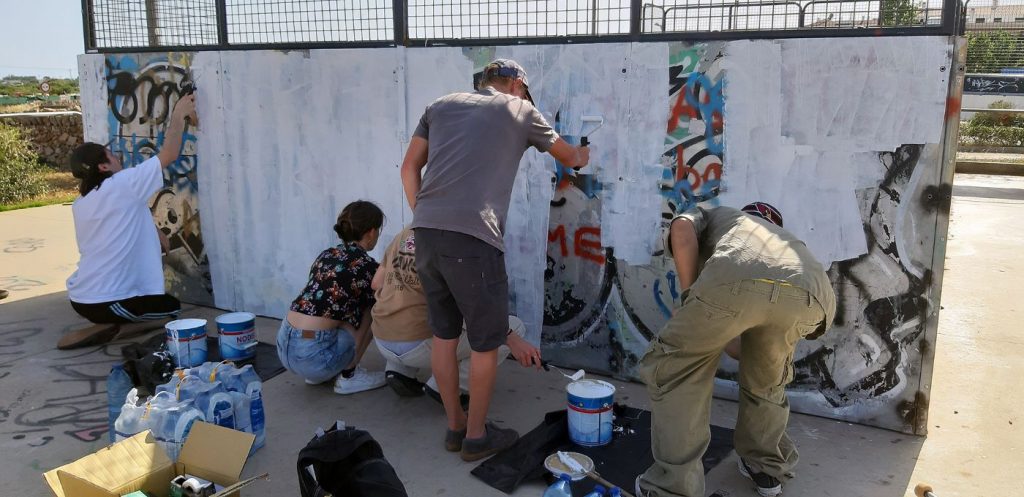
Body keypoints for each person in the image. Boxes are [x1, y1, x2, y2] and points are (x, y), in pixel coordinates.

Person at [401, 58, 590, 462]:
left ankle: (454, 427)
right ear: (517, 84)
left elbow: (408, 168)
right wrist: (583, 153)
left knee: (445, 336)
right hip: (473, 239)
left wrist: (425, 215)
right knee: (487, 343)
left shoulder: (440, 104)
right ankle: (476, 437)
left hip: (426, 233)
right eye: (524, 90)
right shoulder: (520, 109)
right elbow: (569, 157)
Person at [634, 202, 836, 497]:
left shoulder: (720, 216)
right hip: (812, 292)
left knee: (675, 370)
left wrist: (691, 297)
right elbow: (742, 350)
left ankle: (671, 488)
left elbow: (680, 228)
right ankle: (766, 468)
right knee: (767, 379)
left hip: (737, 279)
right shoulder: (786, 244)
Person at [59, 93, 197, 350]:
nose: (118, 158)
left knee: (154, 303)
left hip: (80, 298)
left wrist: (156, 233)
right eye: (111, 156)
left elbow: (121, 219)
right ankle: (117, 329)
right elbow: (169, 153)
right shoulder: (121, 184)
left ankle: (110, 321)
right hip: (110, 301)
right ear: (103, 167)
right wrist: (179, 113)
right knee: (172, 311)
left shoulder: (83, 202)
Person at [369, 226, 540, 409]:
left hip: (381, 337)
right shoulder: (454, 241)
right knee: (514, 326)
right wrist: (510, 336)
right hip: (418, 344)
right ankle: (447, 386)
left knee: (417, 310)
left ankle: (398, 370)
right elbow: (471, 306)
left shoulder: (405, 232)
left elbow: (376, 283)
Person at [276, 200, 387, 395]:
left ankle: (317, 374)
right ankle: (349, 376)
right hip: (313, 357)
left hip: (285, 343)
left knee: (335, 308)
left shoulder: (327, 254)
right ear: (371, 232)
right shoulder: (368, 267)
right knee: (372, 306)